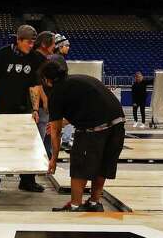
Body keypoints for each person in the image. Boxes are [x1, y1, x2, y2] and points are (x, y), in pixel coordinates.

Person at [41, 58, 125, 212]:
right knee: (102, 165)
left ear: (47, 80)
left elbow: (56, 132)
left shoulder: (56, 93)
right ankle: (94, 203)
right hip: (118, 125)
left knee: (80, 165)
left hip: (95, 129)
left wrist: (54, 159)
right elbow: (88, 104)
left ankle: (75, 205)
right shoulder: (81, 79)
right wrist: (67, 121)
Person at [0, 25, 45, 193]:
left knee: (26, 146)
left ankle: (27, 180)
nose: (31, 46)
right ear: (18, 40)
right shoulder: (2, 55)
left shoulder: (35, 58)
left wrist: (35, 109)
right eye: (28, 43)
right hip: (1, 108)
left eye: (33, 43)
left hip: (23, 109)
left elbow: (35, 86)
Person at [34, 31, 65, 158]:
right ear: (44, 44)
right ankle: (40, 160)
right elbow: (37, 83)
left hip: (44, 105)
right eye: (53, 43)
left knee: (46, 133)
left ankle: (45, 157)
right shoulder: (37, 59)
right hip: (41, 106)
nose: (55, 46)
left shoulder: (45, 59)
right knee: (41, 135)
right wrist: (45, 99)